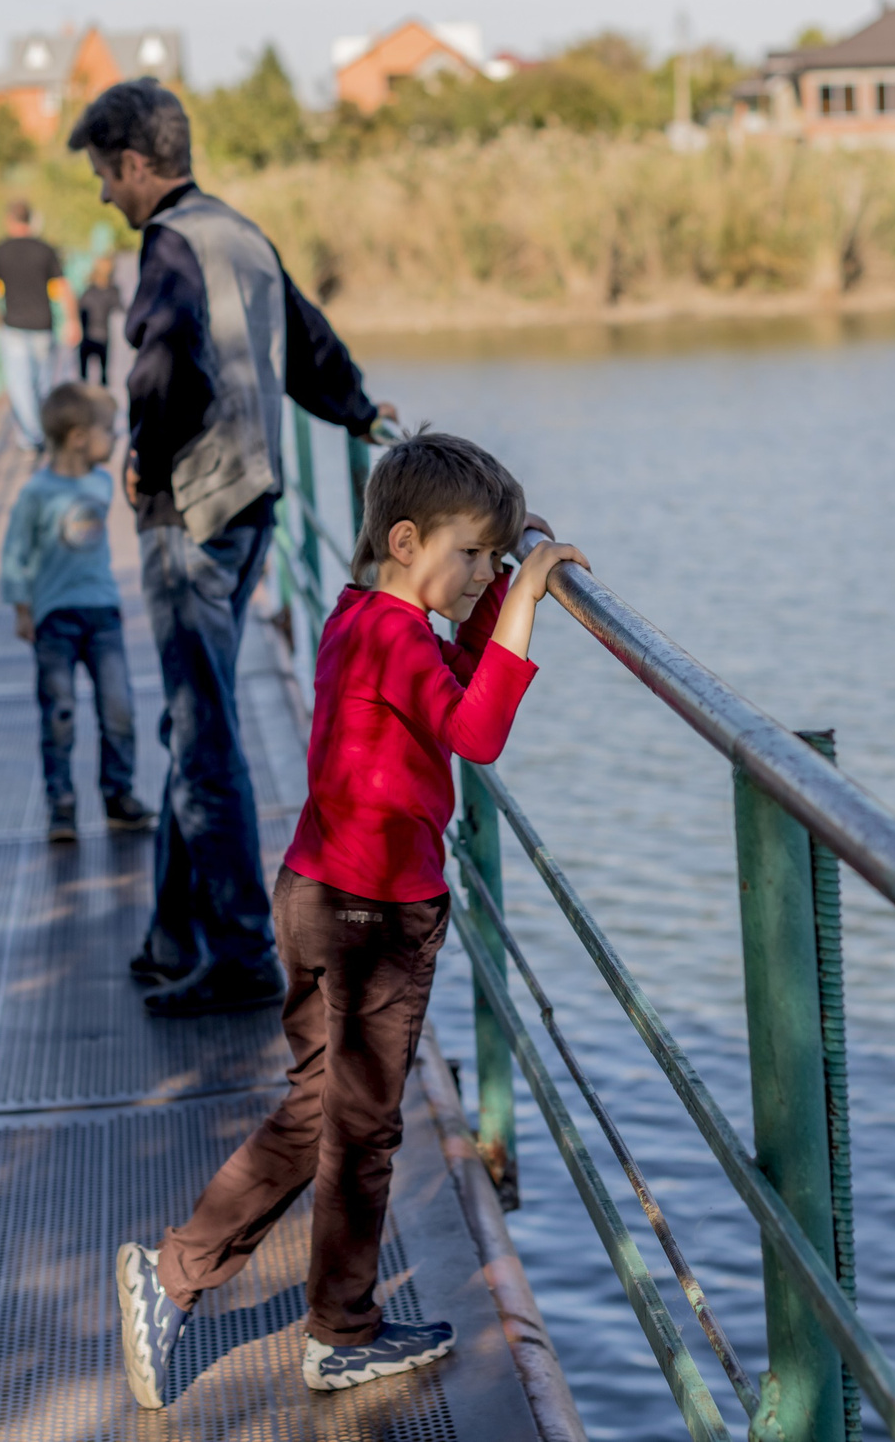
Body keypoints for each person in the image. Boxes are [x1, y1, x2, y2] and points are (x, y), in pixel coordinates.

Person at [115, 432, 586, 1407]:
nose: (480, 578)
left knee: (319, 1111)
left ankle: (179, 1273)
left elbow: (448, 668)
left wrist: (498, 579)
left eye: (492, 565)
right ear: (408, 541)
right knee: (361, 1130)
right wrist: (529, 600)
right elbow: (476, 728)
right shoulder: (396, 635)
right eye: (471, 559)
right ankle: (336, 1328)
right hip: (377, 918)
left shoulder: (360, 616)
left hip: (314, 894)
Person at [66, 78, 395, 1018]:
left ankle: (243, 950)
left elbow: (166, 363)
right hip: (256, 499)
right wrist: (361, 410)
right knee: (192, 711)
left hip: (196, 510)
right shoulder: (238, 230)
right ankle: (176, 930)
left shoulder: (169, 243)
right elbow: (306, 336)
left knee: (203, 729)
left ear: (134, 163)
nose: (102, 195)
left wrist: (143, 456)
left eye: (102, 175)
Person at [2, 383, 157, 843]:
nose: (114, 439)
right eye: (106, 432)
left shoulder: (103, 481)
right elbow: (15, 552)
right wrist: (22, 607)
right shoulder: (36, 492)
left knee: (119, 708)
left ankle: (118, 795)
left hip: (103, 613)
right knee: (60, 712)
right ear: (76, 437)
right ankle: (61, 803)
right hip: (55, 619)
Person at [0, 201, 74, 453]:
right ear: (30, 220)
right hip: (43, 325)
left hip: (13, 327)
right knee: (43, 384)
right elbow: (64, 288)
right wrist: (73, 321)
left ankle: (33, 436)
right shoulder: (45, 249)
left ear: (9, 221)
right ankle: (42, 430)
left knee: (20, 385)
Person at [76, 255, 122, 385]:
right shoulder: (110, 291)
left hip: (95, 336)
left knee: (94, 377)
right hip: (95, 336)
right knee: (93, 377)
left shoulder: (91, 290)